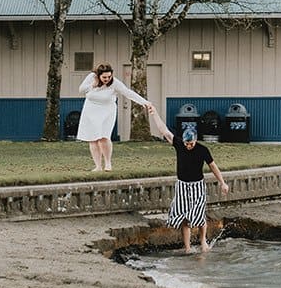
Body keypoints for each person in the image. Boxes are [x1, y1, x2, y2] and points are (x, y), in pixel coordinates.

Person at [162, 122, 229, 252]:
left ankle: (202, 240)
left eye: (191, 143)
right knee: (184, 218)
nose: (188, 146)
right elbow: (165, 131)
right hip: (182, 186)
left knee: (199, 215)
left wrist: (222, 182)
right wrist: (153, 114)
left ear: (195, 140)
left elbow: (213, 166)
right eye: (187, 143)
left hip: (197, 186)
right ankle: (187, 247)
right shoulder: (179, 145)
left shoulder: (202, 150)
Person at [76, 64, 156, 172]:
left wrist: (145, 103)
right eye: (104, 77)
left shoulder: (114, 83)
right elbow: (81, 90)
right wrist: (92, 85)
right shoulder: (91, 77)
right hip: (91, 110)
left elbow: (128, 93)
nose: (107, 79)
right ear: (98, 75)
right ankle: (98, 166)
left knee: (104, 137)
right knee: (93, 139)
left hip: (107, 110)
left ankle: (108, 163)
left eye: (109, 76)